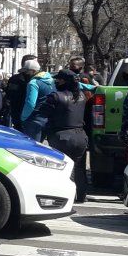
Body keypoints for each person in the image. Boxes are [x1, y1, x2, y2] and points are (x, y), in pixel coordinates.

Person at [39, 69, 89, 202]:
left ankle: (62, 196)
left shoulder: (56, 96)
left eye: (58, 79)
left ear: (64, 81)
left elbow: (43, 112)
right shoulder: (82, 96)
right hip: (80, 136)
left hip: (61, 137)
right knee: (79, 168)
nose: (56, 81)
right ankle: (81, 196)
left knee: (60, 168)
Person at [20, 59, 56, 142]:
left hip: (34, 120)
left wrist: (23, 117)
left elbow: (30, 103)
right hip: (47, 119)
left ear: (33, 71)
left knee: (31, 149)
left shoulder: (33, 83)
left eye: (26, 71)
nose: (24, 74)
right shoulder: (51, 81)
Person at [3, 54, 38, 130]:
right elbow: (10, 95)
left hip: (32, 114)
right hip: (19, 112)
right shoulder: (16, 79)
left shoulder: (37, 79)